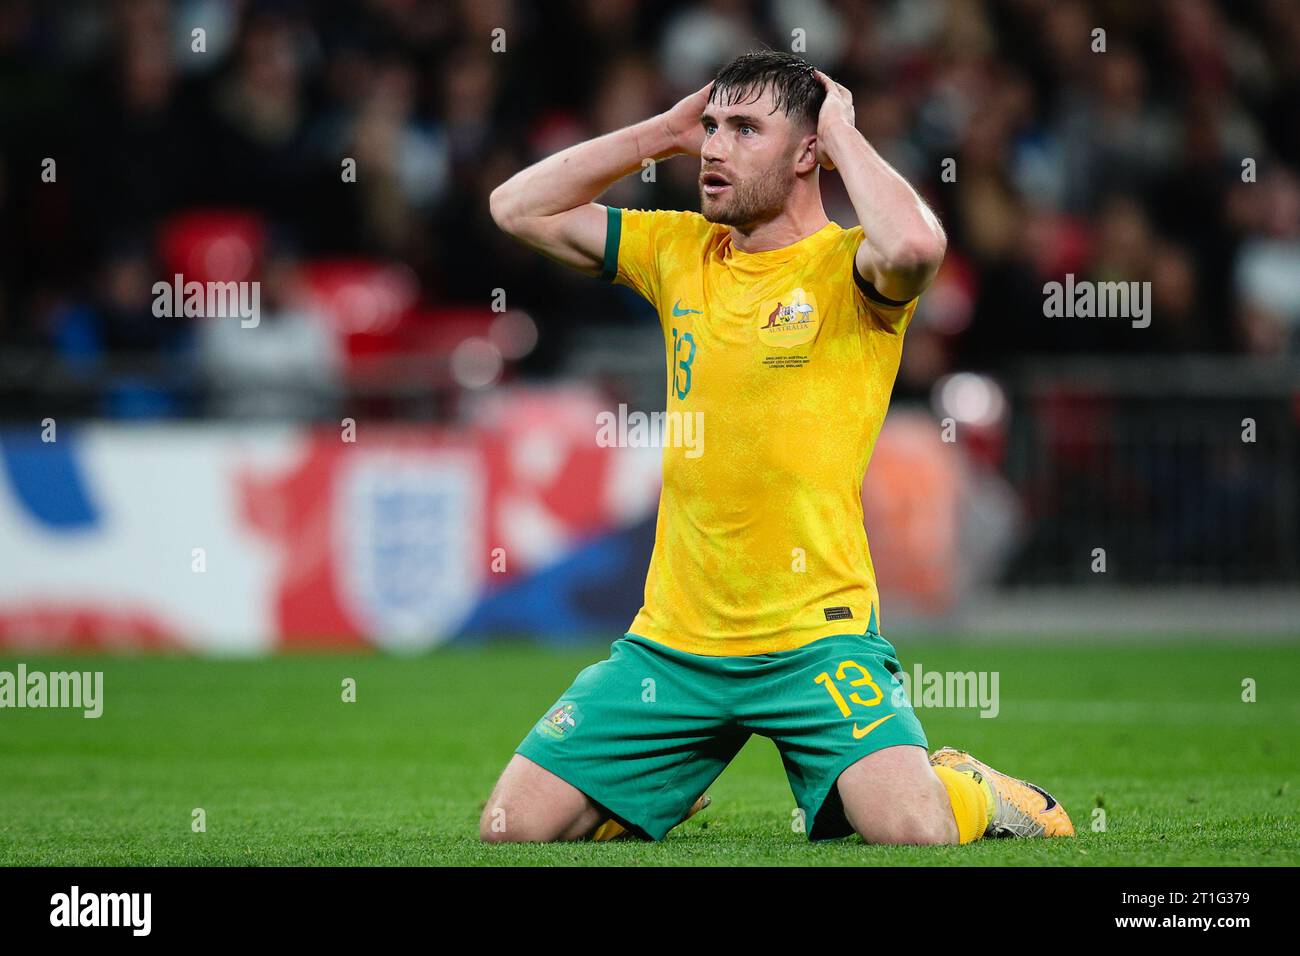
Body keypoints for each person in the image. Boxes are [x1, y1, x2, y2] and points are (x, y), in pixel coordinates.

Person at [482, 51, 1073, 845]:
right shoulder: (679, 251)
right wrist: (661, 133)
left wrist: (843, 132)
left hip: (816, 640)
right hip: (674, 645)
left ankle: (970, 786)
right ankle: (644, 791)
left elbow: (915, 250)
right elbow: (517, 207)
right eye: (714, 127)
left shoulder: (848, 268)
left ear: (807, 154)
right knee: (509, 830)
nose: (717, 148)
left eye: (747, 129)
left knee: (912, 833)